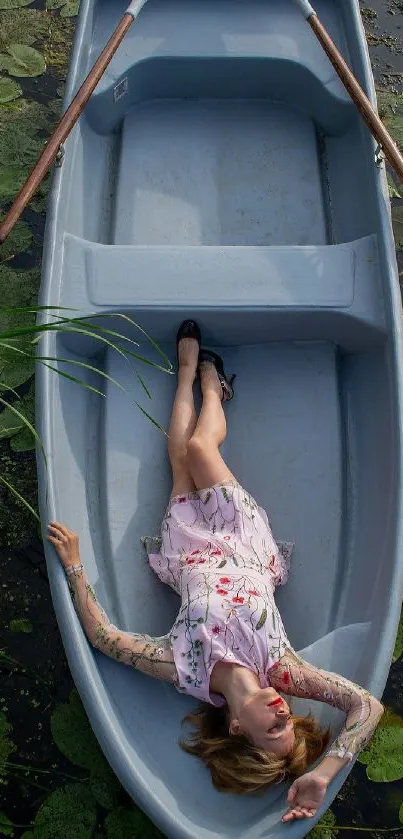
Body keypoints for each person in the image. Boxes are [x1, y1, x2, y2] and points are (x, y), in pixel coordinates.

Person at [47, 320, 384, 823]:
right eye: (287, 719)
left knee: (179, 458)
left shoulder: (184, 669)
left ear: (236, 729)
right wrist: (322, 774)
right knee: (204, 451)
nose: (280, 711)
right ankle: (212, 385)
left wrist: (74, 565)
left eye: (273, 727)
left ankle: (185, 376)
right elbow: (366, 708)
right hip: (242, 537)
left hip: (188, 547)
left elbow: (104, 638)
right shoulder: (281, 668)